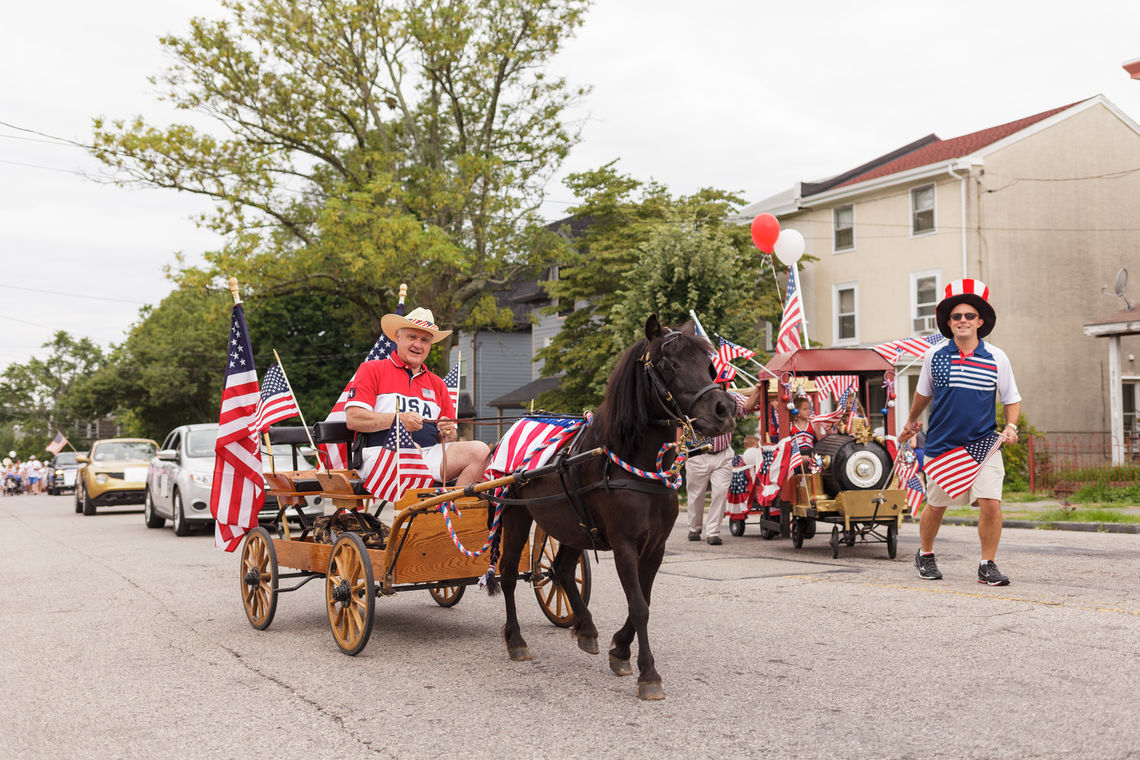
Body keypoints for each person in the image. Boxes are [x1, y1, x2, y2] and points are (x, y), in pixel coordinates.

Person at [899, 279, 1021, 586]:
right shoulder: (935, 356)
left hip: (984, 443)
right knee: (937, 504)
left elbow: (1011, 398)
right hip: (944, 445)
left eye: (969, 316)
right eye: (957, 316)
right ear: (948, 323)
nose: (963, 321)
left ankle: (987, 564)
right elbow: (923, 394)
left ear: (980, 321)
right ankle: (925, 554)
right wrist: (912, 421)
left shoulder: (997, 357)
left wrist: (1011, 425)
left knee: (991, 502)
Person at [344, 307, 490, 489]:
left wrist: (447, 431)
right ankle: (427, 515)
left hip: (429, 453)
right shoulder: (372, 369)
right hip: (379, 454)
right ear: (397, 337)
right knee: (411, 451)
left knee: (481, 451)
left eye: (425, 340)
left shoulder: (438, 384)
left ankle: (454, 512)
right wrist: (398, 420)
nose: (418, 345)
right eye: (412, 337)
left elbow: (450, 435)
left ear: (430, 345)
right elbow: (354, 419)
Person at [687, 384, 764, 545]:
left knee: (720, 492)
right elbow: (680, 423)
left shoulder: (731, 397)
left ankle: (713, 532)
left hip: (722, 454)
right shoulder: (694, 398)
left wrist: (758, 389)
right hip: (698, 454)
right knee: (696, 494)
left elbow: (748, 405)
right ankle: (694, 528)